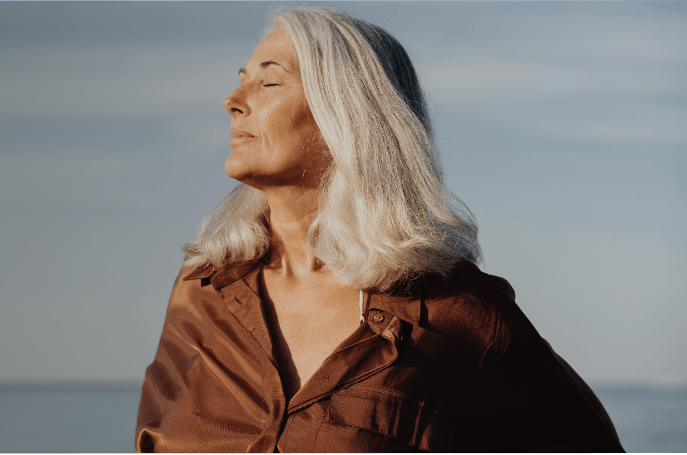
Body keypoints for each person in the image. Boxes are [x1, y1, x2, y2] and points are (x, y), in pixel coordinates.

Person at [134, 8, 623, 453]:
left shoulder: (460, 314)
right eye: (240, 81)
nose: (232, 101)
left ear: (347, 113)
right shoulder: (202, 288)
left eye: (269, 83)